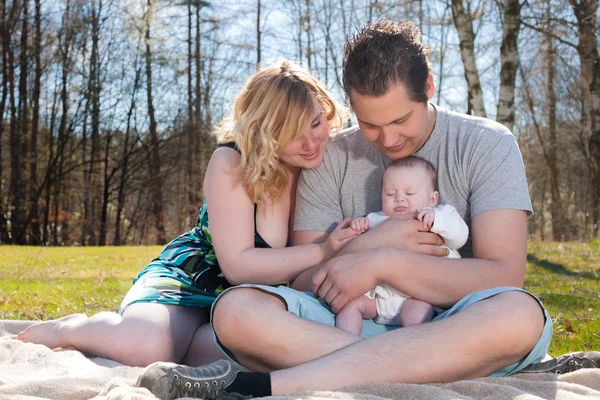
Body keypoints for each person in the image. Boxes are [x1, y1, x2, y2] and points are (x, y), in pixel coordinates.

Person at [136, 19, 599, 400]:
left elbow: (502, 277)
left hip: (455, 320)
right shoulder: (333, 155)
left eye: (401, 120)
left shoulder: (487, 143)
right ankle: (459, 367)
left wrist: (382, 261)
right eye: (370, 124)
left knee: (518, 314)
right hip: (354, 324)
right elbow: (299, 282)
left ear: (429, 87)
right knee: (235, 311)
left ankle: (268, 385)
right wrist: (370, 243)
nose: (389, 140)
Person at [17, 60, 355, 367]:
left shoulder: (327, 166)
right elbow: (237, 266)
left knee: (227, 357)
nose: (311, 142)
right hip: (191, 278)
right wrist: (322, 250)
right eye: (291, 135)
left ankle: (180, 343)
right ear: (264, 132)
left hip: (251, 306)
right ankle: (73, 328)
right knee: (145, 348)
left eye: (315, 123)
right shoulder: (233, 162)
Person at [336, 156, 468, 335]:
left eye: (409, 193)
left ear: (432, 199)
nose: (399, 199)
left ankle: (412, 349)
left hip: (419, 295)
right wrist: (359, 226)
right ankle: (344, 343)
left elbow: (460, 237)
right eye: (390, 194)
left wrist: (437, 220)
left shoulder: (441, 215)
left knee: (417, 316)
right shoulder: (376, 219)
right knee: (349, 307)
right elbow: (357, 247)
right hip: (380, 297)